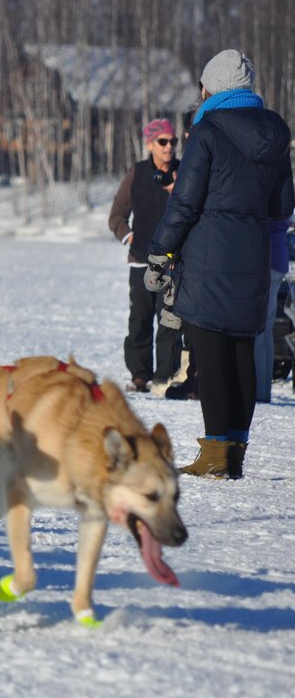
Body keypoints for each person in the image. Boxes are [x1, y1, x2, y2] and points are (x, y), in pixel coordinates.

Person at [146, 49, 295, 479]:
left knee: (211, 355)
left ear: (211, 88)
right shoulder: (275, 132)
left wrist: (161, 250)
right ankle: (235, 453)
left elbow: (185, 202)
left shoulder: (206, 130)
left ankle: (214, 456)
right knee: (242, 352)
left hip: (209, 258)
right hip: (252, 257)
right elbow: (283, 205)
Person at [109, 118, 183, 395]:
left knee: (169, 322)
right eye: (162, 141)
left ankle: (164, 377)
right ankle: (140, 376)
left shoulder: (183, 173)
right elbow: (116, 215)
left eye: (173, 141)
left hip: (172, 262)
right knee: (139, 320)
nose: (169, 147)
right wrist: (129, 237)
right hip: (141, 260)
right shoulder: (137, 174)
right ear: (150, 144)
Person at [254, 218, 289, 403]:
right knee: (265, 330)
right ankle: (262, 390)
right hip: (278, 256)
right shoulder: (283, 190)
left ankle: (258, 392)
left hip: (264, 259)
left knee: (258, 329)